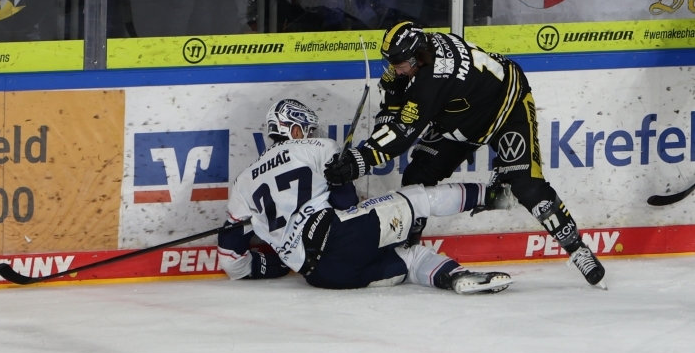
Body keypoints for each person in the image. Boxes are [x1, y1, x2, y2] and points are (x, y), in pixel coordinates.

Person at [323, 22, 607, 288]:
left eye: (399, 65)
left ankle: (578, 250)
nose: (395, 70)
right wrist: (378, 134)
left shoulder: (431, 79)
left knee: (527, 186)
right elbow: (393, 105)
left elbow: (402, 133)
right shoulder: (417, 57)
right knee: (417, 175)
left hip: (507, 108)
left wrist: (361, 159)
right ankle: (409, 247)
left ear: (415, 58)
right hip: (462, 120)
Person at [217, 99, 515, 294]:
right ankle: (494, 195)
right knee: (416, 199)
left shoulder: (243, 183)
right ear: (295, 130)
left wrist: (278, 264)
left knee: (410, 260)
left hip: (323, 276)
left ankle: (455, 277)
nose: (312, 134)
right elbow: (345, 202)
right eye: (308, 130)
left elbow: (232, 262)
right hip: (340, 236)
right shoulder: (318, 148)